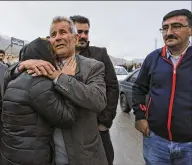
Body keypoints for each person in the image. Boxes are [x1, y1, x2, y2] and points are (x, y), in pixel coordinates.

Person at [5, 16, 108, 165]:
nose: (58, 38)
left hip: (82, 156)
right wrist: (21, 65)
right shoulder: (41, 64)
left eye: (63, 32)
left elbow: (99, 100)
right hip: (49, 156)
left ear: (75, 37)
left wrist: (61, 78)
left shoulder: (93, 67)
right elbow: (7, 77)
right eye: (53, 35)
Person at [1, 37, 78, 165]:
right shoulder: (39, 85)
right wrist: (67, 80)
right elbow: (67, 118)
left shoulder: (14, 81)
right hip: (32, 157)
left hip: (11, 154)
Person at [132, 9, 192, 165]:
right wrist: (139, 116)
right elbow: (139, 88)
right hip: (156, 141)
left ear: (190, 30)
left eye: (176, 26)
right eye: (165, 28)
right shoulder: (153, 58)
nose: (169, 32)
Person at [69, 15, 119, 165]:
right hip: (68, 125)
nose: (83, 36)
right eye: (79, 31)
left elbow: (112, 87)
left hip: (96, 126)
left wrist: (104, 121)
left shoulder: (99, 55)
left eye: (86, 32)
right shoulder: (59, 55)